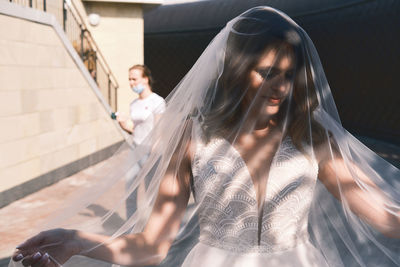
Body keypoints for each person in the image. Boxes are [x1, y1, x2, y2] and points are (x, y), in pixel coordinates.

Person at [11, 7, 400, 267]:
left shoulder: (311, 136)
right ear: (236, 72)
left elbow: (382, 214)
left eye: (287, 74)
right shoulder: (193, 136)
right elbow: (155, 244)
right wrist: (78, 241)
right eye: (266, 73)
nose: (280, 86)